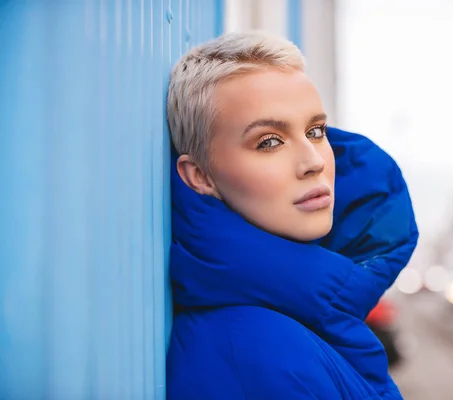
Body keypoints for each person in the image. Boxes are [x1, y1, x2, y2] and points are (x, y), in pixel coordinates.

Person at [166, 31, 418, 400]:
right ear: (200, 176)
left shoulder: (295, 320)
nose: (314, 161)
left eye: (315, 131)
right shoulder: (256, 356)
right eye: (269, 141)